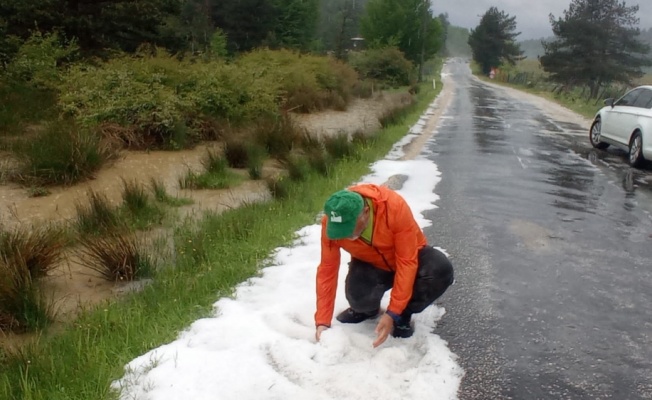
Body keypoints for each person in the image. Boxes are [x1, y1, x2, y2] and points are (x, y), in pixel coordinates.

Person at [314, 183, 454, 348]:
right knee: (359, 300)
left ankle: (403, 314)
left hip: (409, 258)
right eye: (340, 230)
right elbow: (327, 269)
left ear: (365, 213)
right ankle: (367, 311)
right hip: (371, 263)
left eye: (349, 229)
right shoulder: (332, 225)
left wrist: (393, 312)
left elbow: (406, 262)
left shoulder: (394, 207)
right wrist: (322, 321)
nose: (344, 235)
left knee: (439, 270)